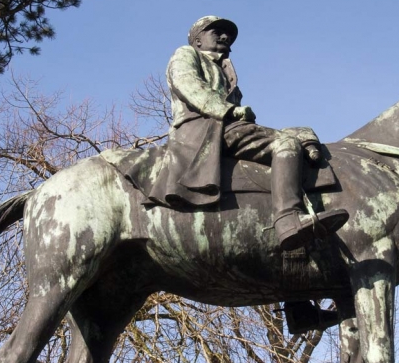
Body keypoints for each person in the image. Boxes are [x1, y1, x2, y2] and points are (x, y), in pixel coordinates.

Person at [147, 15, 348, 251]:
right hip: (203, 128)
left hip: (225, 127)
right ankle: (288, 220)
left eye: (228, 34)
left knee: (299, 132)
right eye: (217, 31)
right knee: (285, 143)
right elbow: (189, 85)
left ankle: (308, 153)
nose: (225, 36)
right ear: (198, 40)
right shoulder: (186, 53)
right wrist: (230, 110)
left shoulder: (227, 73)